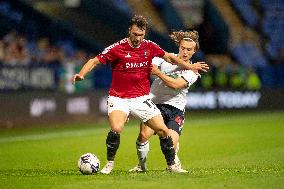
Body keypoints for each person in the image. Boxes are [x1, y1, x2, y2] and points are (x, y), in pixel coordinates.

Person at [72, 15, 209, 174]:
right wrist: (81, 74)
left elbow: (175, 82)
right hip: (128, 98)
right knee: (124, 130)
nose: (138, 38)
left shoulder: (187, 67)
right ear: (129, 30)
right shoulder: (118, 48)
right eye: (135, 34)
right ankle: (117, 164)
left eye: (141, 35)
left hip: (163, 105)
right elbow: (94, 61)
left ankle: (173, 165)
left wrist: (184, 68)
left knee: (165, 133)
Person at [129, 30, 201, 173]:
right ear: (179, 47)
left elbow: (175, 85)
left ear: (194, 52)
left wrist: (159, 73)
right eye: (183, 48)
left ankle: (172, 163)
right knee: (143, 135)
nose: (185, 52)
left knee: (170, 144)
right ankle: (141, 166)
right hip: (154, 105)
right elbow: (147, 68)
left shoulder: (193, 71)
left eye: (189, 50)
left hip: (175, 109)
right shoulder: (165, 59)